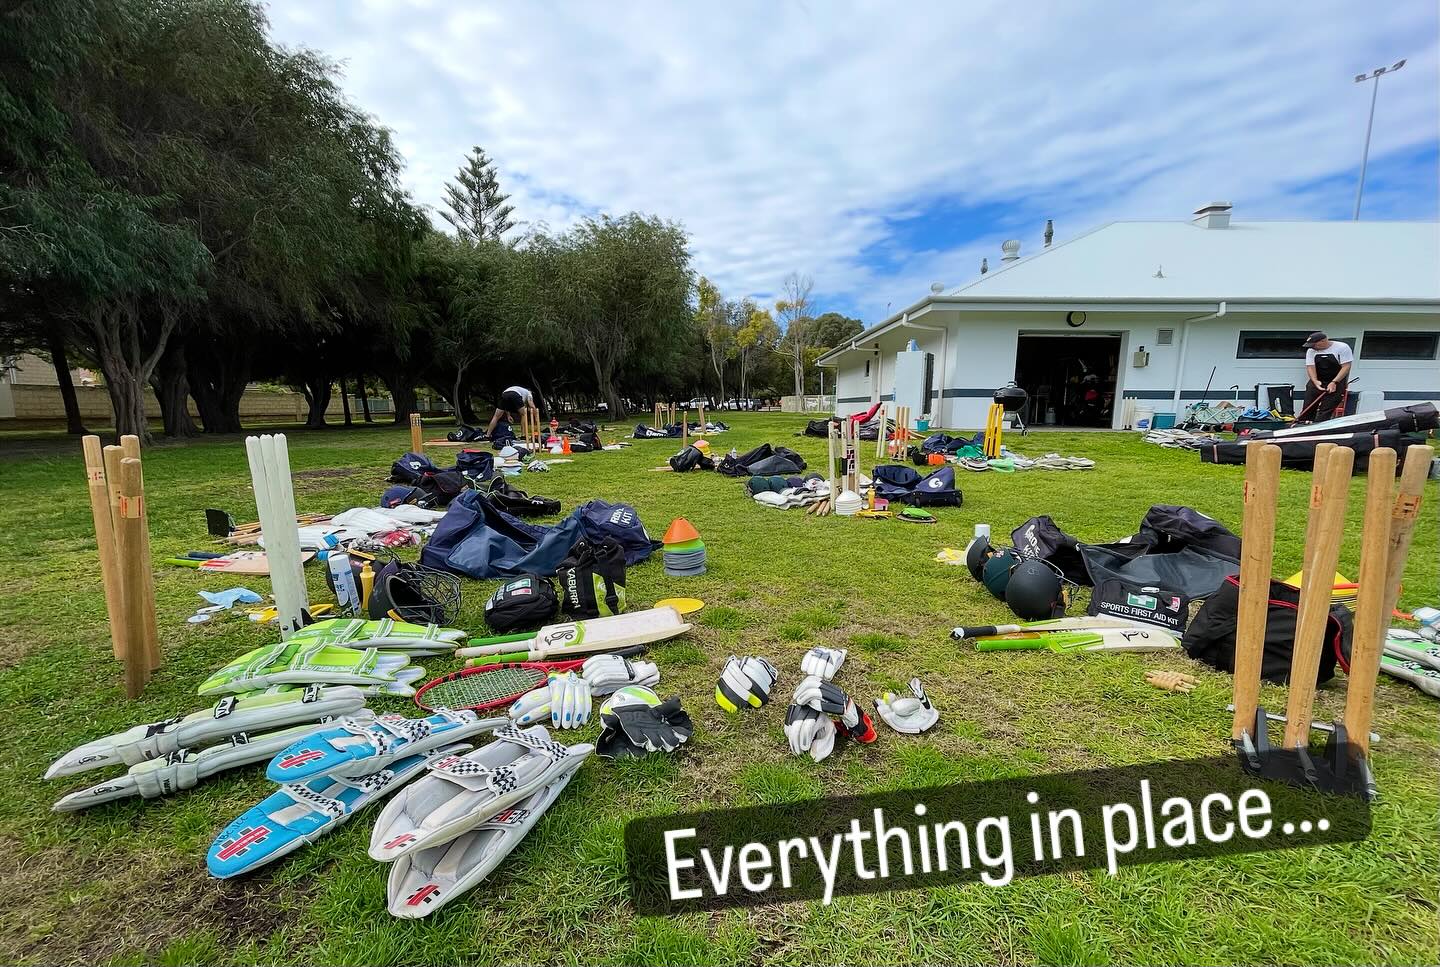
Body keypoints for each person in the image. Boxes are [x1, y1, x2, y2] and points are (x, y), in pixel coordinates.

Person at [1299, 331, 1353, 424]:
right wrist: (1315, 381)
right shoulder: (1311, 350)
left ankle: (1319, 427)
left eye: (1314, 345)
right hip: (1318, 379)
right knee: (1308, 405)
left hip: (1337, 380)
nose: (1312, 347)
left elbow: (1346, 367)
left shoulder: (1342, 347)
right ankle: (1303, 423)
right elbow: (1310, 367)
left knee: (1326, 409)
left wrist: (1334, 382)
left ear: (1323, 341)